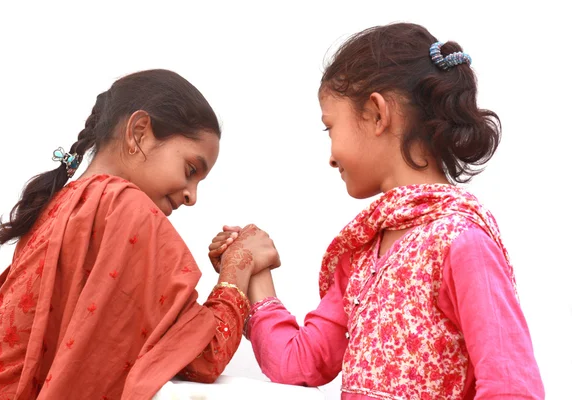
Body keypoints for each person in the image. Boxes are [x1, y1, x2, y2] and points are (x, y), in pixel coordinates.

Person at [208, 23, 545, 399]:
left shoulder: (462, 242)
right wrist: (256, 270)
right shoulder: (363, 254)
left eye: (330, 127)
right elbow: (300, 364)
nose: (331, 156)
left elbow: (512, 388)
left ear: (376, 113)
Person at [0, 69, 280, 400]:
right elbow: (204, 356)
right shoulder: (124, 208)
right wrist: (239, 266)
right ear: (139, 133)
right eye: (191, 170)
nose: (192, 196)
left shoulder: (58, 205)